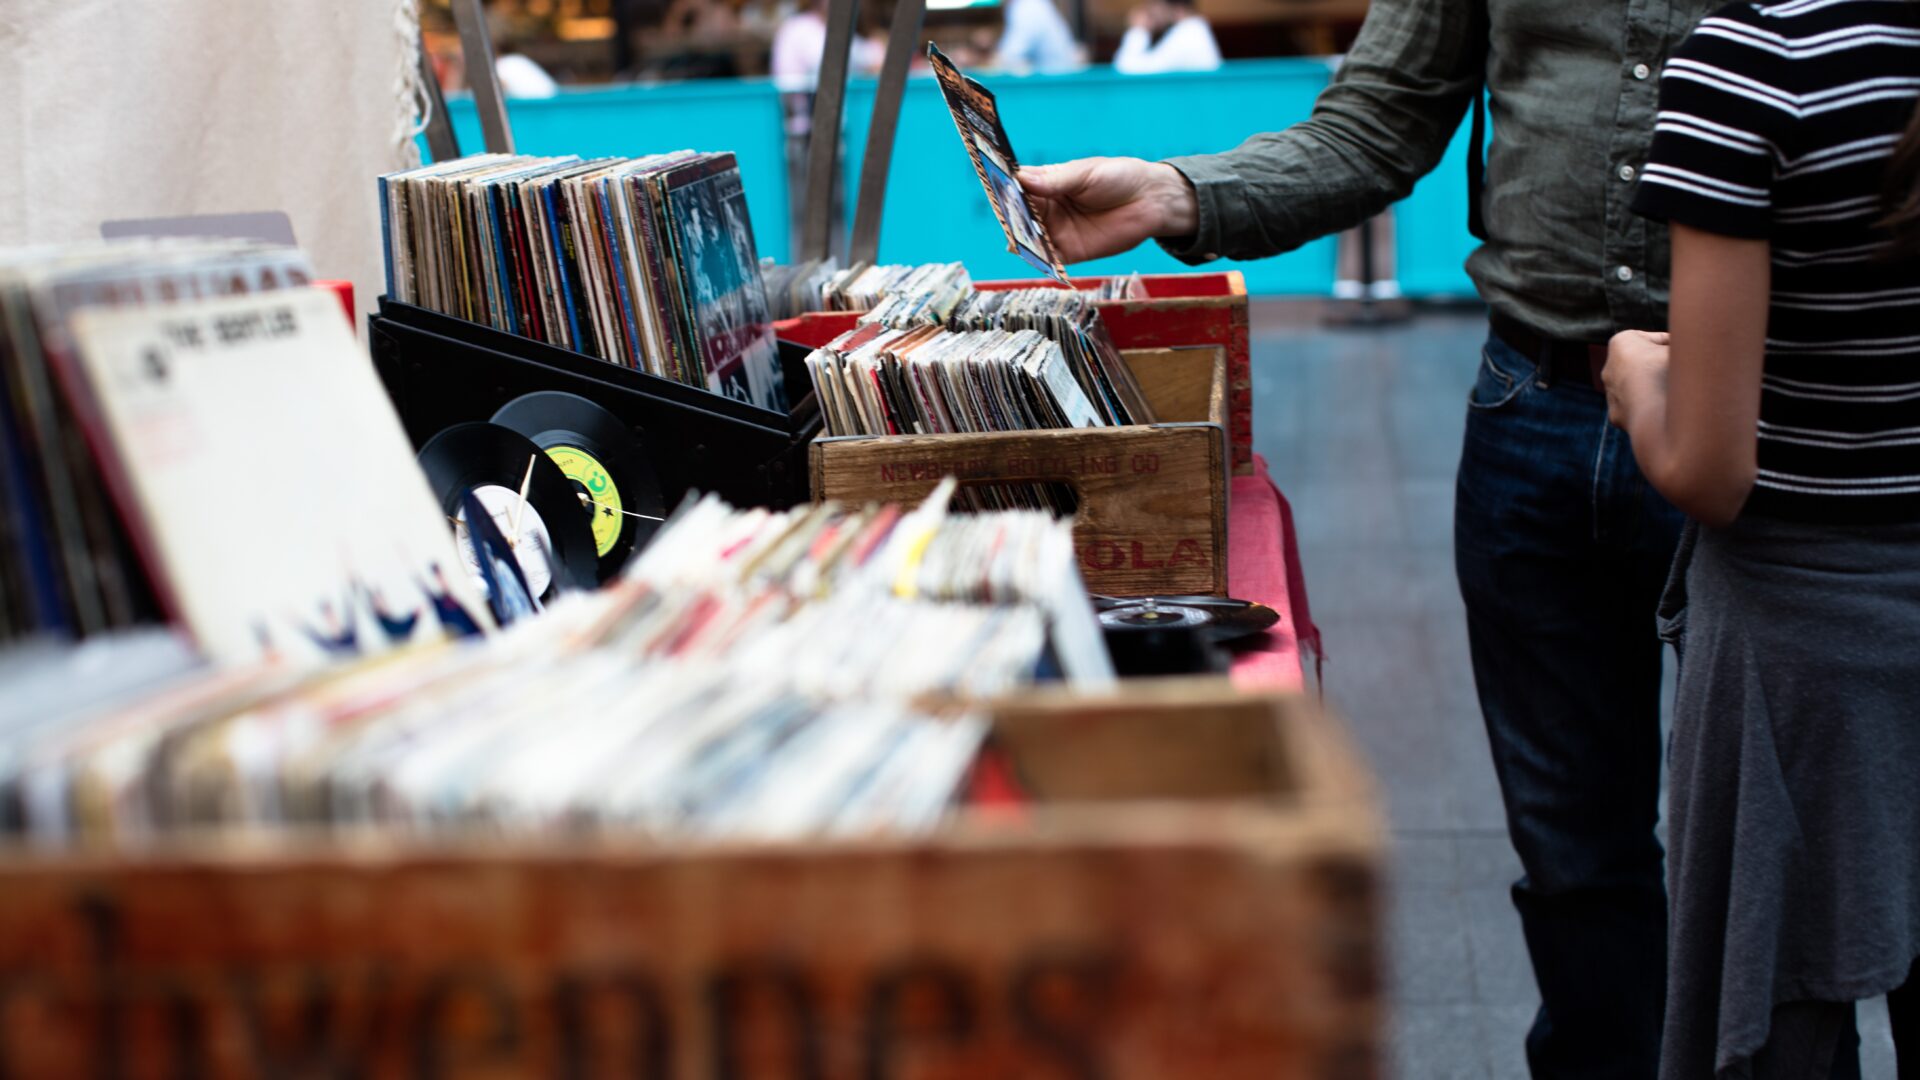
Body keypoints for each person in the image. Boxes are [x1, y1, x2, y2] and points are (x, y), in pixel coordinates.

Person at [1016, 0, 1739, 1073]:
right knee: (1574, 855)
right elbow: (1377, 122)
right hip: (1533, 407)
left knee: (1781, 855)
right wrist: (1174, 192)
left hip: (1768, 416)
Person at [1600, 0, 1920, 1075]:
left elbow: (1710, 472)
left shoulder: (1755, 64)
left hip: (1797, 653)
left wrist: (1643, 379)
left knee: (1774, 1031)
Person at [1112, 0, 1220, 75]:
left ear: (1178, 8)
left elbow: (1126, 70)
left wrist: (1138, 30)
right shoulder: (1192, 30)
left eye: (1155, 3)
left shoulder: (1188, 34)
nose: (1150, 10)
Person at [994, 0, 1080, 73]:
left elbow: (1009, 57)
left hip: (1053, 85)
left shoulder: (1028, 8)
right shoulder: (1035, 5)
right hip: (1054, 82)